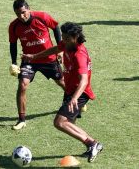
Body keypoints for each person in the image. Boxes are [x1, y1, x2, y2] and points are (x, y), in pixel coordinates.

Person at [22, 22, 103, 163]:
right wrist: (34, 57)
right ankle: (92, 144)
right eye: (63, 37)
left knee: (60, 122)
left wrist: (74, 99)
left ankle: (92, 143)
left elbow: (84, 81)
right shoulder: (66, 44)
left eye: (66, 38)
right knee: (69, 123)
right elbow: (54, 49)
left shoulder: (79, 55)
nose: (63, 40)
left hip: (79, 92)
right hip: (71, 90)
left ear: (75, 37)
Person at [8, 0, 65, 130]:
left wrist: (60, 49)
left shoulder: (42, 17)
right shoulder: (14, 26)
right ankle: (21, 119)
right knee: (22, 85)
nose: (21, 17)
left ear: (28, 8)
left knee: (62, 82)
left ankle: (77, 100)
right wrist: (13, 63)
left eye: (23, 12)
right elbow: (12, 44)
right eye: (18, 14)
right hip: (29, 61)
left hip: (49, 58)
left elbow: (56, 27)